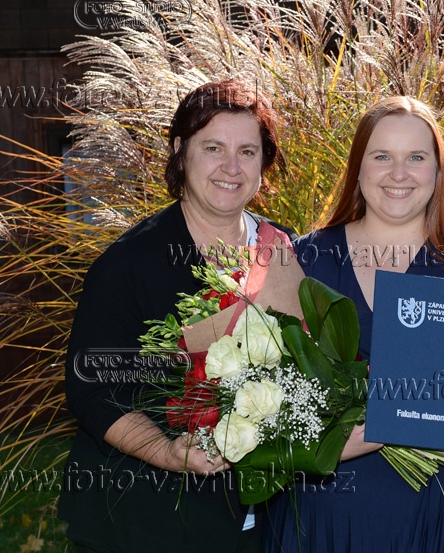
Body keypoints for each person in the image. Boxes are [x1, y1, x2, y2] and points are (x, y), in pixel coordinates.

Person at [263, 96, 444, 552]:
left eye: (416, 158)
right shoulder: (302, 260)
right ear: (358, 168)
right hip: (327, 517)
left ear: (438, 170)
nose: (399, 174)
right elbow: (261, 397)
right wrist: (321, 441)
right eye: (382, 157)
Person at [59, 79, 296, 552]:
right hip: (148, 520)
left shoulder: (285, 249)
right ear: (180, 152)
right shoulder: (129, 264)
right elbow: (93, 391)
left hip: (264, 524)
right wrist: (167, 452)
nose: (232, 167)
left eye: (247, 152)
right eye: (213, 148)